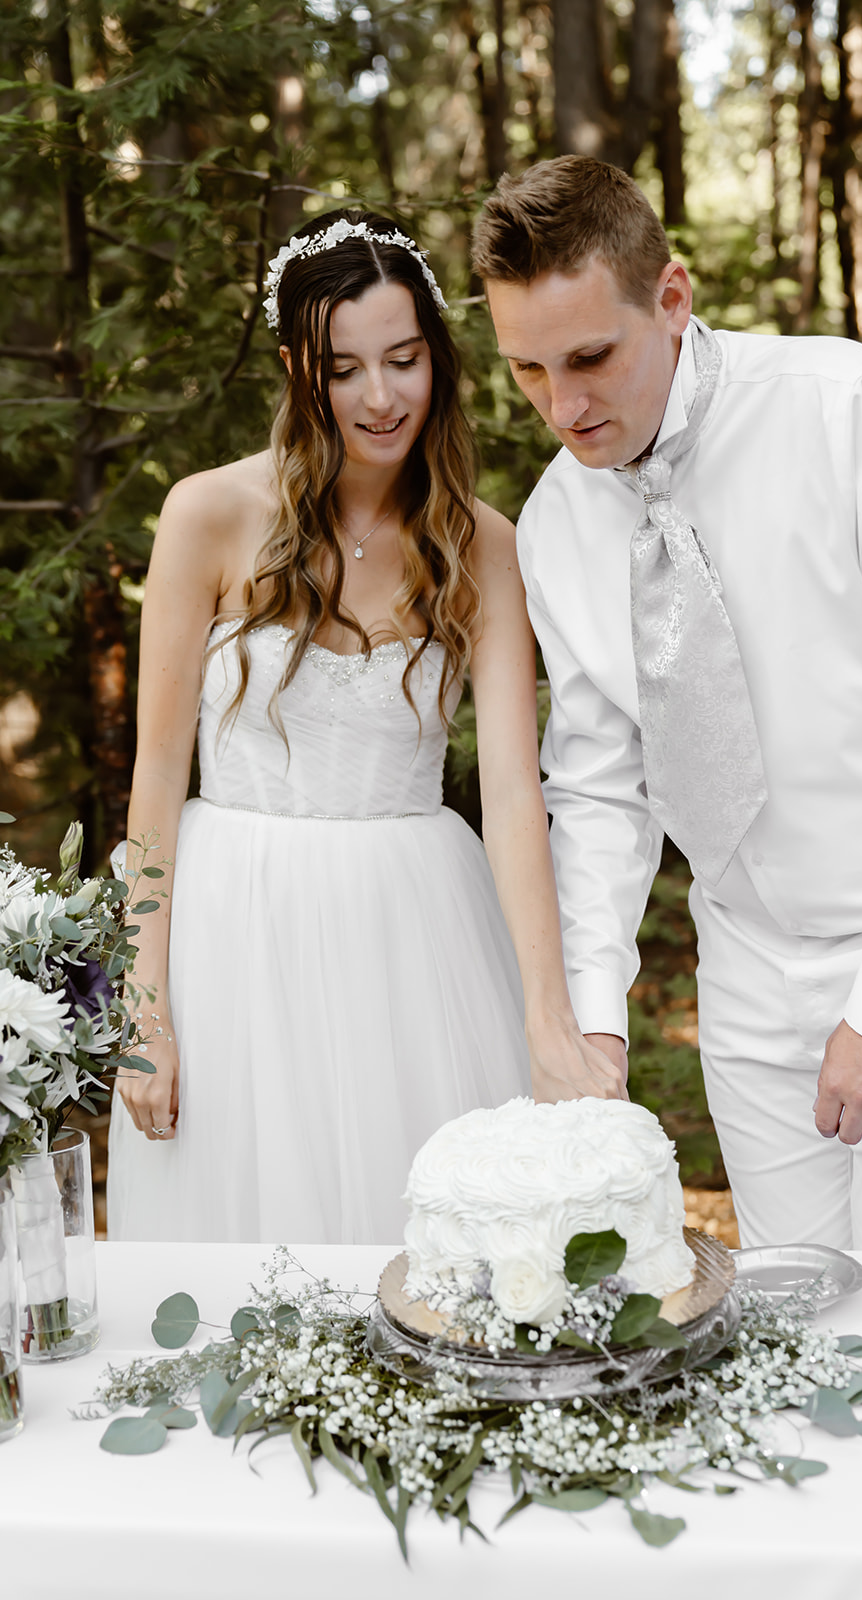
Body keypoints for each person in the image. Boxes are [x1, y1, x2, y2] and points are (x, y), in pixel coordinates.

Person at [471, 156, 862, 1252]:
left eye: (590, 357)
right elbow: (599, 789)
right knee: (793, 1326)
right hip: (745, 967)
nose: (563, 406)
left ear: (672, 297)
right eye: (526, 371)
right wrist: (590, 1021)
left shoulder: (852, 413)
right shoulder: (557, 521)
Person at [108, 208, 623, 1245]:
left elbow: (515, 793)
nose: (378, 397)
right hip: (234, 928)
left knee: (432, 1248)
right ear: (298, 367)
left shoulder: (483, 545)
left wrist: (546, 1012)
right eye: (343, 369)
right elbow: (156, 780)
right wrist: (144, 1005)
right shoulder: (205, 515)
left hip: (416, 933)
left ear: (435, 355)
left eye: (402, 358)